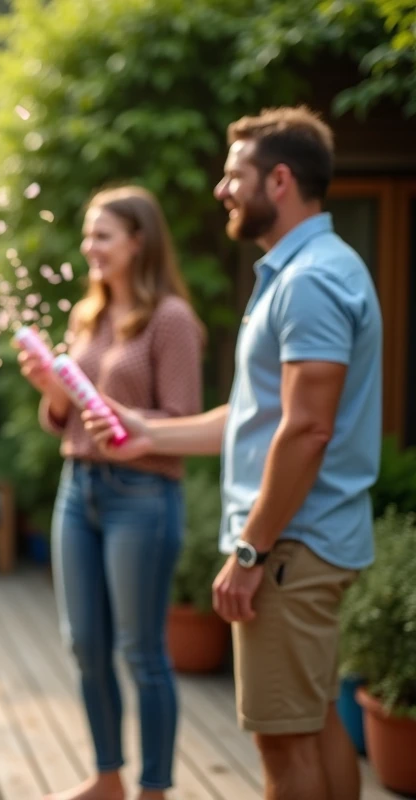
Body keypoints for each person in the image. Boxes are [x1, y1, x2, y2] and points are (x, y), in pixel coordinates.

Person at [84, 107, 381, 800]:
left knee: (282, 741)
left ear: (279, 181)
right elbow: (255, 418)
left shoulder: (309, 281)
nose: (222, 190)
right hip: (303, 541)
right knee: (313, 725)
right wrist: (149, 432)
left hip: (291, 545)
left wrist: (251, 551)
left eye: (234, 175)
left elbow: (306, 431)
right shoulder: (302, 272)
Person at [17, 186, 204, 800]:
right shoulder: (87, 315)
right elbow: (63, 418)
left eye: (103, 235)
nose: (89, 246)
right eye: (88, 234)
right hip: (79, 488)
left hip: (142, 495)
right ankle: (106, 778)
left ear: (138, 241)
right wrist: (51, 389)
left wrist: (123, 418)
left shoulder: (171, 319)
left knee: (141, 650)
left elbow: (182, 421)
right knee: (84, 645)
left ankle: (154, 788)